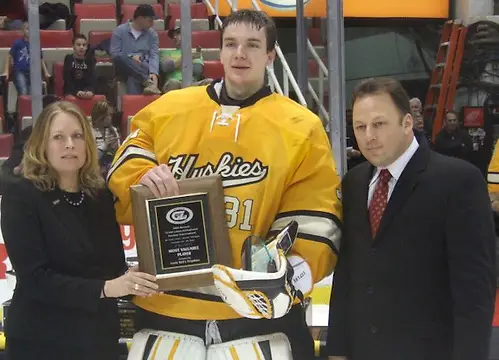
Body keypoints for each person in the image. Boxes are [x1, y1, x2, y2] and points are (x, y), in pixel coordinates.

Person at [108, 9, 341, 360]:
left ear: (270, 55)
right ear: (220, 51)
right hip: (167, 310)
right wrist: (142, 174)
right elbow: (129, 159)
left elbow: (317, 213)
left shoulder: (300, 127)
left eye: (252, 45)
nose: (240, 54)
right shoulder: (170, 109)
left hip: (252, 320)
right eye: (231, 44)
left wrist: (290, 274)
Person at [326, 77, 496, 360]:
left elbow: (475, 292)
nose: (368, 136)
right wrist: (338, 350)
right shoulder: (354, 184)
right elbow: (347, 277)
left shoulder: (458, 182)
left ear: (407, 123)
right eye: (360, 126)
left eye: (379, 124)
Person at [0, 101, 159, 360]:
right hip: (41, 341)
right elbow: (35, 279)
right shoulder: (22, 195)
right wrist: (107, 288)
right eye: (58, 137)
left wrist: (140, 278)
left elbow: (113, 268)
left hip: (98, 340)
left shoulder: (99, 195)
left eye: (77, 136)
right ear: (42, 144)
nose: (70, 145)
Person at [110, 4, 161, 95]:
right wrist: (131, 57)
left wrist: (154, 73)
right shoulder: (120, 31)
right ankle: (147, 81)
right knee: (121, 57)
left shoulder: (152, 34)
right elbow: (114, 54)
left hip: (143, 65)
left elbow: (154, 55)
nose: (152, 24)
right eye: (150, 20)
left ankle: (134, 106)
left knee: (132, 78)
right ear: (140, 18)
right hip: (123, 67)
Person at [3, 21, 50, 95]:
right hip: (20, 71)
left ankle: (28, 106)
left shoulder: (36, 44)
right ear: (23, 31)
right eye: (27, 29)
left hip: (33, 72)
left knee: (33, 94)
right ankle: (22, 105)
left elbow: (40, 59)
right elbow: (9, 56)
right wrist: (6, 71)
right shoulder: (17, 43)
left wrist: (46, 72)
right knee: (23, 91)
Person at [90, 100, 120, 176]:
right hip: (93, 170)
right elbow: (91, 160)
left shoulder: (113, 130)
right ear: (99, 115)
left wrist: (116, 149)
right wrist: (104, 146)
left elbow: (118, 157)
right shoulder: (88, 131)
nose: (109, 118)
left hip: (110, 169)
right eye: (106, 115)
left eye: (111, 115)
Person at [63, 34, 95, 98]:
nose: (81, 47)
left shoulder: (89, 60)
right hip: (71, 91)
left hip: (86, 91)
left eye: (84, 45)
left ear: (86, 47)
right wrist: (76, 92)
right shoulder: (68, 58)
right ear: (73, 46)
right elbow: (67, 80)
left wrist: (90, 91)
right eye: (78, 45)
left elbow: (92, 79)